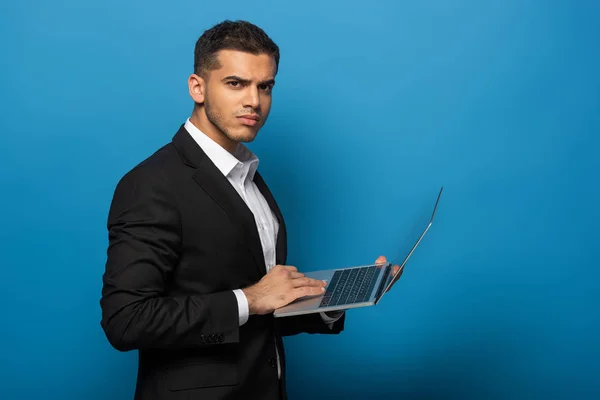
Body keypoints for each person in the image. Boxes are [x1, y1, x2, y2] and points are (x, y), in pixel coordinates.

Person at [100, 20, 399, 400]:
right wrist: (249, 298)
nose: (254, 101)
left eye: (265, 86)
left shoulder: (249, 177)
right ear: (198, 87)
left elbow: (259, 311)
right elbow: (126, 320)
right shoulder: (152, 184)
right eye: (236, 83)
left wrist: (333, 301)